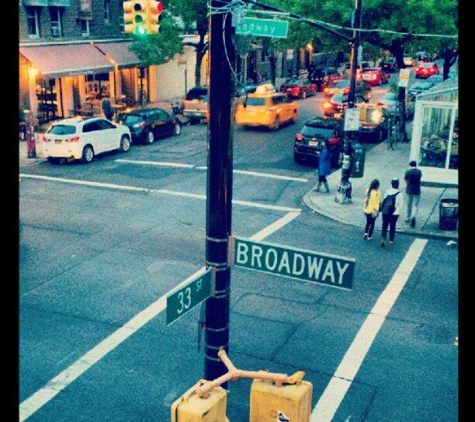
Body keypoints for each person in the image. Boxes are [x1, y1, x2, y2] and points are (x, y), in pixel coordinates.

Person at [380, 178, 404, 247]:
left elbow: (384, 201)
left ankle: (383, 238)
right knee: (392, 225)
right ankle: (391, 239)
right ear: (398, 185)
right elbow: (401, 205)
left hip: (385, 212)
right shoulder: (399, 194)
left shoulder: (387, 192)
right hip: (394, 213)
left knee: (384, 225)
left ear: (391, 184)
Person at [404, 160, 422, 228]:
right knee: (415, 205)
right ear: (416, 165)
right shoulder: (419, 172)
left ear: (410, 165)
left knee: (409, 205)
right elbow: (419, 178)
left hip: (409, 191)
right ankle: (413, 216)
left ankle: (408, 218)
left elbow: (405, 179)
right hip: (417, 190)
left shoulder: (408, 172)